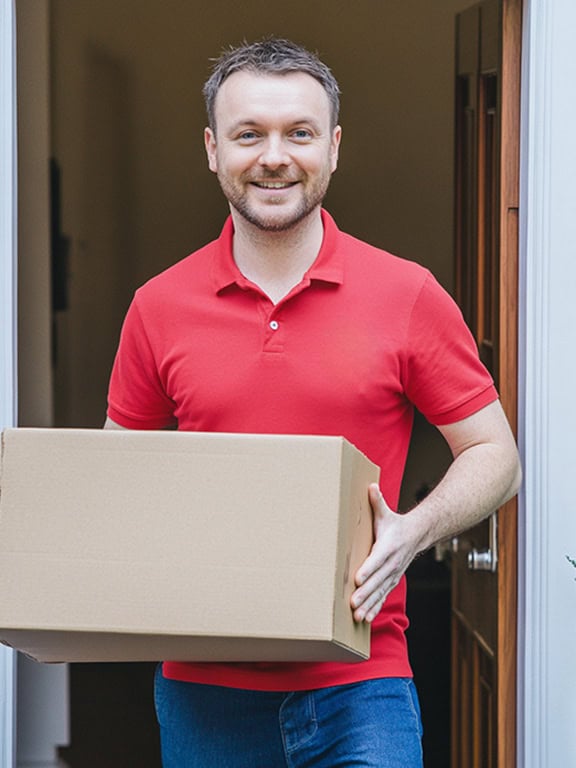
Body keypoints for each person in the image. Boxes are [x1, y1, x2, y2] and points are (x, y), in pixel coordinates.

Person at [105, 38, 521, 768]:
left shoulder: (407, 294)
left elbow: (496, 456)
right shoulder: (157, 307)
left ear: (332, 148)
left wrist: (412, 532)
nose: (274, 156)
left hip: (363, 678)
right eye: (248, 134)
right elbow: (115, 476)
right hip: (204, 685)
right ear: (212, 149)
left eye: (298, 133)